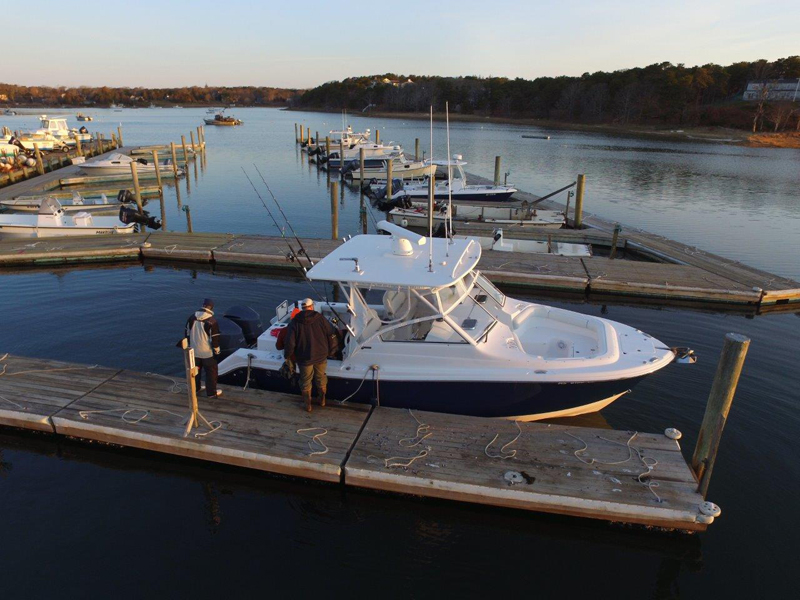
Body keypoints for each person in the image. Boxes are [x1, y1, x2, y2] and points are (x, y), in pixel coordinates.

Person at [283, 298, 336, 412]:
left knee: (305, 381)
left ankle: (308, 405)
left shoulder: (295, 322)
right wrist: (331, 351)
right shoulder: (320, 318)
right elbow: (331, 332)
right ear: (312, 307)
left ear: (302, 308)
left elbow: (290, 342)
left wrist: (287, 356)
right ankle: (322, 400)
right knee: (321, 378)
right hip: (321, 355)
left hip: (304, 357)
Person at [185, 298, 222, 398]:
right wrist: (217, 352)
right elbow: (215, 339)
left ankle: (195, 389)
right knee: (211, 373)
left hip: (194, 352)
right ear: (212, 307)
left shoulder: (191, 318)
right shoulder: (212, 321)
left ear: (203, 305)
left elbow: (187, 333)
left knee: (195, 372)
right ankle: (211, 393)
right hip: (207, 353)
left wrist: (189, 346)